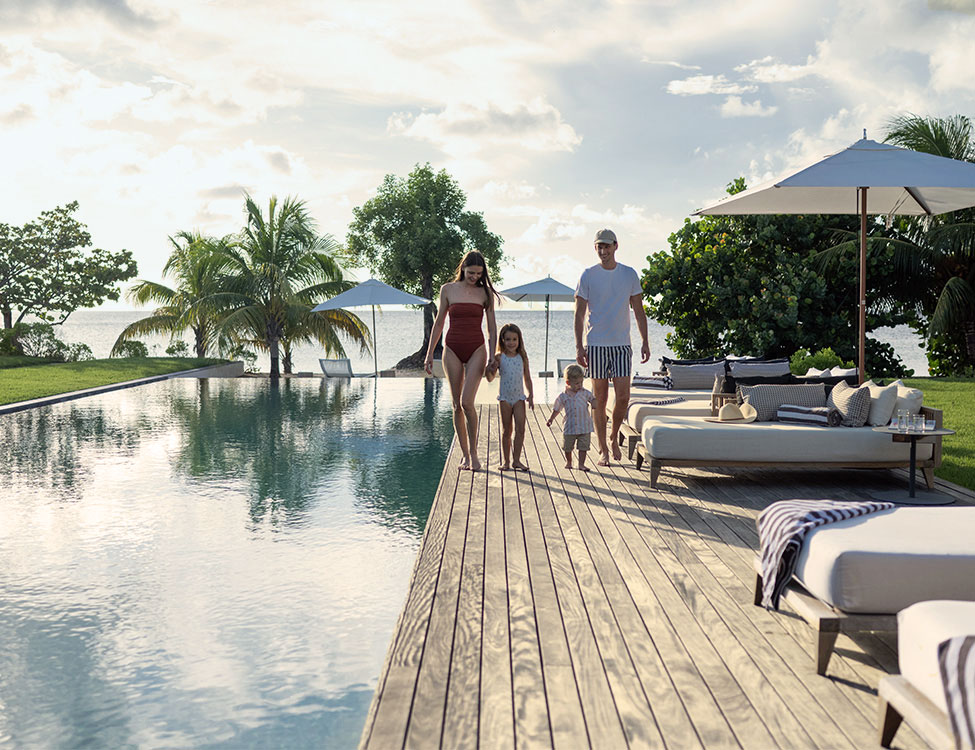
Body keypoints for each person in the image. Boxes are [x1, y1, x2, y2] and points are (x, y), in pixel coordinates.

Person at [574, 228, 650, 466]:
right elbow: (578, 314)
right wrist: (579, 346)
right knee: (599, 398)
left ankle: (614, 435)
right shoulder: (587, 275)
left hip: (621, 345)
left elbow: (639, 311)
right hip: (596, 344)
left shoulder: (629, 274)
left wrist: (645, 341)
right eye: (599, 247)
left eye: (607, 246)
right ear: (595, 248)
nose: (603, 251)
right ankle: (603, 448)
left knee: (624, 397)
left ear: (616, 246)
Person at [425, 251, 499, 471]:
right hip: (452, 349)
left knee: (468, 402)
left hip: (477, 348)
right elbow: (438, 323)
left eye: (479, 273)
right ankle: (465, 455)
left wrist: (493, 355)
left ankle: (475, 454)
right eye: (471, 272)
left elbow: (492, 326)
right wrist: (430, 354)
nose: (475, 276)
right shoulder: (447, 290)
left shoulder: (485, 293)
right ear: (463, 268)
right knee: (457, 405)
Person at [486, 323, 534, 471]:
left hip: (519, 398)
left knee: (521, 429)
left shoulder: (522, 356)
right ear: (502, 340)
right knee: (507, 431)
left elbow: (527, 377)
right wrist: (490, 368)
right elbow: (489, 378)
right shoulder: (499, 357)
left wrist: (531, 395)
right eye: (508, 339)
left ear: (519, 340)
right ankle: (506, 461)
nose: (511, 342)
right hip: (505, 399)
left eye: (514, 339)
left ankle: (517, 460)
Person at [546, 363, 595, 471]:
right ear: (568, 383)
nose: (580, 385)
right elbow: (557, 409)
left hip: (584, 426)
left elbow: (593, 399)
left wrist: (596, 404)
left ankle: (581, 464)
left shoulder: (585, 393)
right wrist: (551, 419)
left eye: (581, 382)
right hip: (570, 426)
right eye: (577, 383)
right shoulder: (563, 396)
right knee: (568, 446)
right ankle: (569, 461)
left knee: (583, 447)